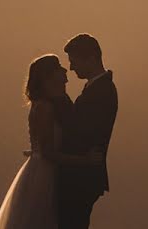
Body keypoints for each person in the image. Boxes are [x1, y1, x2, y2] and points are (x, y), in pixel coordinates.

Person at [0, 54, 102, 229]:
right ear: (48, 76)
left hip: (45, 171)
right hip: (44, 176)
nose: (65, 70)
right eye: (59, 67)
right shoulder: (45, 107)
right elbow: (48, 153)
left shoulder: (50, 104)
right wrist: (85, 160)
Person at [58, 34, 118, 229]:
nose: (72, 67)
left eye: (74, 61)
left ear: (91, 59)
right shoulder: (97, 88)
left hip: (81, 176)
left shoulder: (102, 90)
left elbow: (82, 132)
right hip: (82, 173)